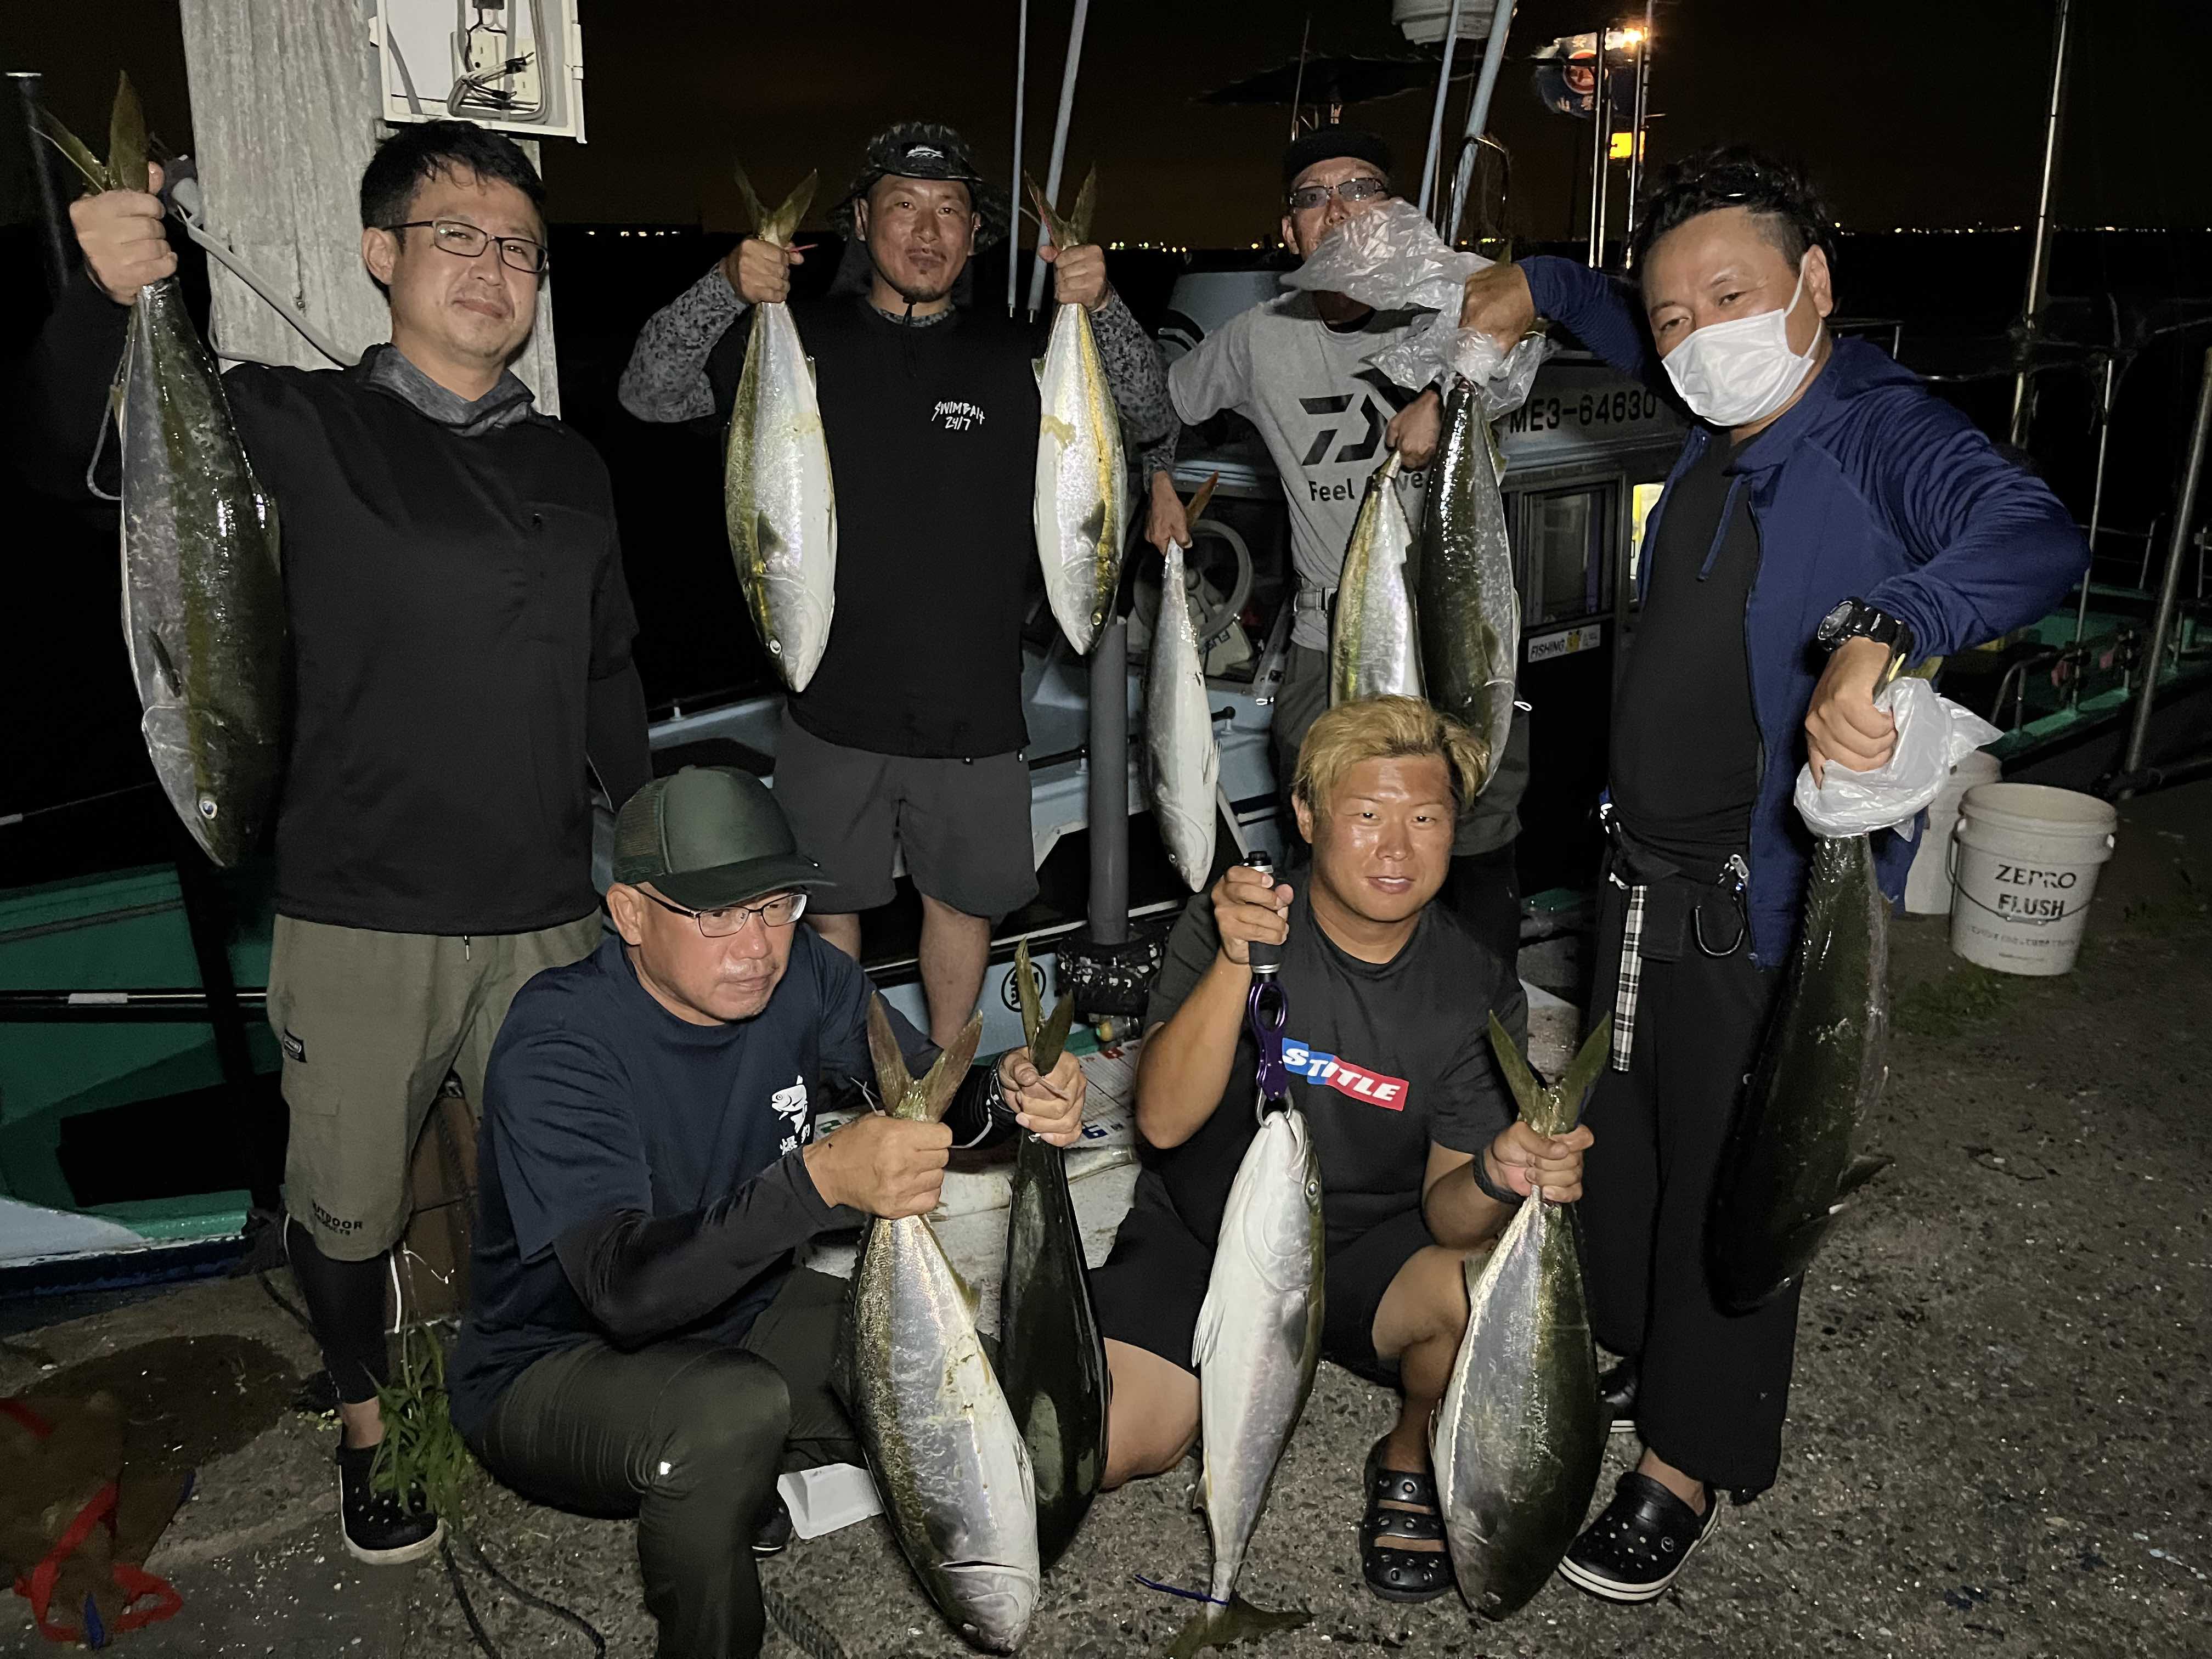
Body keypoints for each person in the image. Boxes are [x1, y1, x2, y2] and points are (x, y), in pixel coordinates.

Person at [1457, 146, 2091, 1601]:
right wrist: (1530, 284)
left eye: (1730, 298)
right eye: (1675, 315)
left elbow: (2033, 529)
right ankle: (1643, 1349)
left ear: (1813, 285)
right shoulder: (1714, 398)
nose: (1697, 338)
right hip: (1637, 877)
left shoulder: (1873, 423)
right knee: (1627, 1143)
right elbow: (1607, 313)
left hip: (1763, 905)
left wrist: (1895, 624)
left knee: (1738, 1179)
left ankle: (1692, 1455)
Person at [22, 121, 652, 1566]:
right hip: (361, 912)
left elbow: (609, 673)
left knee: (584, 1177)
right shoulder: (288, 421)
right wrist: (101, 297)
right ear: (381, 255)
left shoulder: (570, 463)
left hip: (554, 908)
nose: (492, 266)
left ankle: (559, 1385)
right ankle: (372, 1434)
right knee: (349, 1209)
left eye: (518, 247)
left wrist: (657, 854)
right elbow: (75, 457)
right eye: (455, 236)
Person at [449, 765, 1086, 1659]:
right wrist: (818, 1179)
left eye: (776, 905)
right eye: (716, 914)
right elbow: (624, 1294)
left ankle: (752, 1479)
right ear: (629, 914)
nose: (755, 945)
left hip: (739, 1307)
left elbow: (927, 1093)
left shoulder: (805, 978)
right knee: (729, 1416)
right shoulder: (560, 1043)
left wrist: (1012, 1096)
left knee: (978, 1386)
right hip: (552, 1363)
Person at [620, 121, 1172, 1047]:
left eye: (949, 211)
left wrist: (1104, 304)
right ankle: (857, 1071)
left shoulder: (1021, 354)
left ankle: (943, 1081)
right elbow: (649, 392)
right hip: (828, 704)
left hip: (976, 710)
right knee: (828, 911)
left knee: (962, 907)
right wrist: (726, 287)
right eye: (902, 207)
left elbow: (1151, 416)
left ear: (976, 234)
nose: (926, 231)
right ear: (860, 222)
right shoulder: (797, 340)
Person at [1090, 696, 1589, 1604]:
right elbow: (1159, 1123)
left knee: (1483, 1291)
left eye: (1426, 819)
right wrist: (1237, 960)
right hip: (1206, 1233)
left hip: (1364, 1250)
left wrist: (1499, 1170)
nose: (1396, 848)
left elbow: (1451, 1215)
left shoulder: (1473, 987)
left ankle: (1411, 1448)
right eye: (1366, 815)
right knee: (1116, 1446)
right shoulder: (1236, 918)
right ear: (1308, 816)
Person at [1138, 129, 1531, 968]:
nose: (1339, 211)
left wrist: (1446, 392)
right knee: (1331, 849)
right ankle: (1337, 1025)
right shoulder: (1257, 337)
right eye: (1313, 198)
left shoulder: (1459, 312)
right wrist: (1158, 479)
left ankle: (1475, 1026)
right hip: (1330, 646)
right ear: (1290, 233)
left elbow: (1531, 325)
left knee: (1473, 842)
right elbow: (1156, 406)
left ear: (1395, 213)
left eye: (1361, 190)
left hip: (1453, 638)